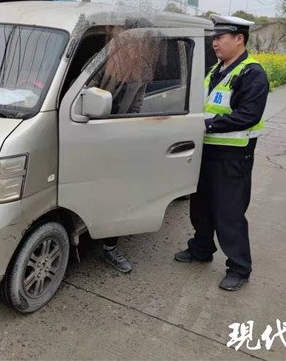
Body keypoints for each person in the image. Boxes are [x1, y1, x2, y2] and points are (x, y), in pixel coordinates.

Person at [174, 15, 269, 291]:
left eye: (220, 38)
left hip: (233, 156)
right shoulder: (216, 69)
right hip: (205, 151)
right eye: (214, 38)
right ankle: (201, 249)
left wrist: (208, 124)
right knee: (200, 205)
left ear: (239, 39)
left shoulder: (252, 73)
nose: (215, 43)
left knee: (229, 213)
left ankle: (239, 268)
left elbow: (248, 115)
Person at [88, 22, 162, 273]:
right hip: (91, 131)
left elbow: (137, 104)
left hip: (119, 137)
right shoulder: (102, 60)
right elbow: (85, 91)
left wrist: (128, 131)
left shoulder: (142, 69)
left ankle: (109, 247)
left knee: (120, 194)